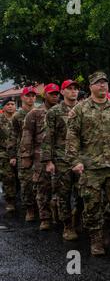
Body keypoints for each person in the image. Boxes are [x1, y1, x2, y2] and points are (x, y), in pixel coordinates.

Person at [66, 71, 110, 256]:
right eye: (98, 83)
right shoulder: (81, 109)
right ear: (91, 87)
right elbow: (72, 137)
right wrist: (75, 161)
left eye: (105, 82)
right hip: (90, 166)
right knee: (92, 204)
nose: (102, 86)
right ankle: (96, 239)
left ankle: (105, 222)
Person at [41, 80, 81, 240]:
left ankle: (76, 216)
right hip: (61, 158)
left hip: (80, 159)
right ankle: (68, 227)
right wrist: (48, 161)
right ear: (62, 92)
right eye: (69, 89)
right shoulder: (54, 112)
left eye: (76, 89)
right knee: (63, 194)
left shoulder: (83, 109)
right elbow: (47, 137)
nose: (73, 91)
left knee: (83, 193)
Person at [21, 83, 60, 230]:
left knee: (60, 188)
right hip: (39, 156)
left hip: (59, 155)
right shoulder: (35, 113)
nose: (55, 96)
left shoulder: (63, 111)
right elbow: (27, 136)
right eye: (51, 93)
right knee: (43, 188)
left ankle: (58, 214)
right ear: (45, 95)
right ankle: (44, 218)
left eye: (57, 93)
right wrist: (26, 156)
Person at [8, 86, 37, 221]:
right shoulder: (17, 116)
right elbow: (12, 136)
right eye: (28, 96)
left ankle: (43, 209)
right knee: (26, 182)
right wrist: (12, 155)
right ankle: (29, 209)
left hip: (39, 153)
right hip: (23, 153)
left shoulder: (40, 112)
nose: (31, 98)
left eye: (33, 96)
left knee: (42, 182)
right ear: (22, 97)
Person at [0, 97, 17, 212]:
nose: (10, 106)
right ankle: (10, 201)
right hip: (4, 152)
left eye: (12, 104)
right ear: (4, 107)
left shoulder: (20, 118)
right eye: (8, 104)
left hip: (20, 151)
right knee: (8, 177)